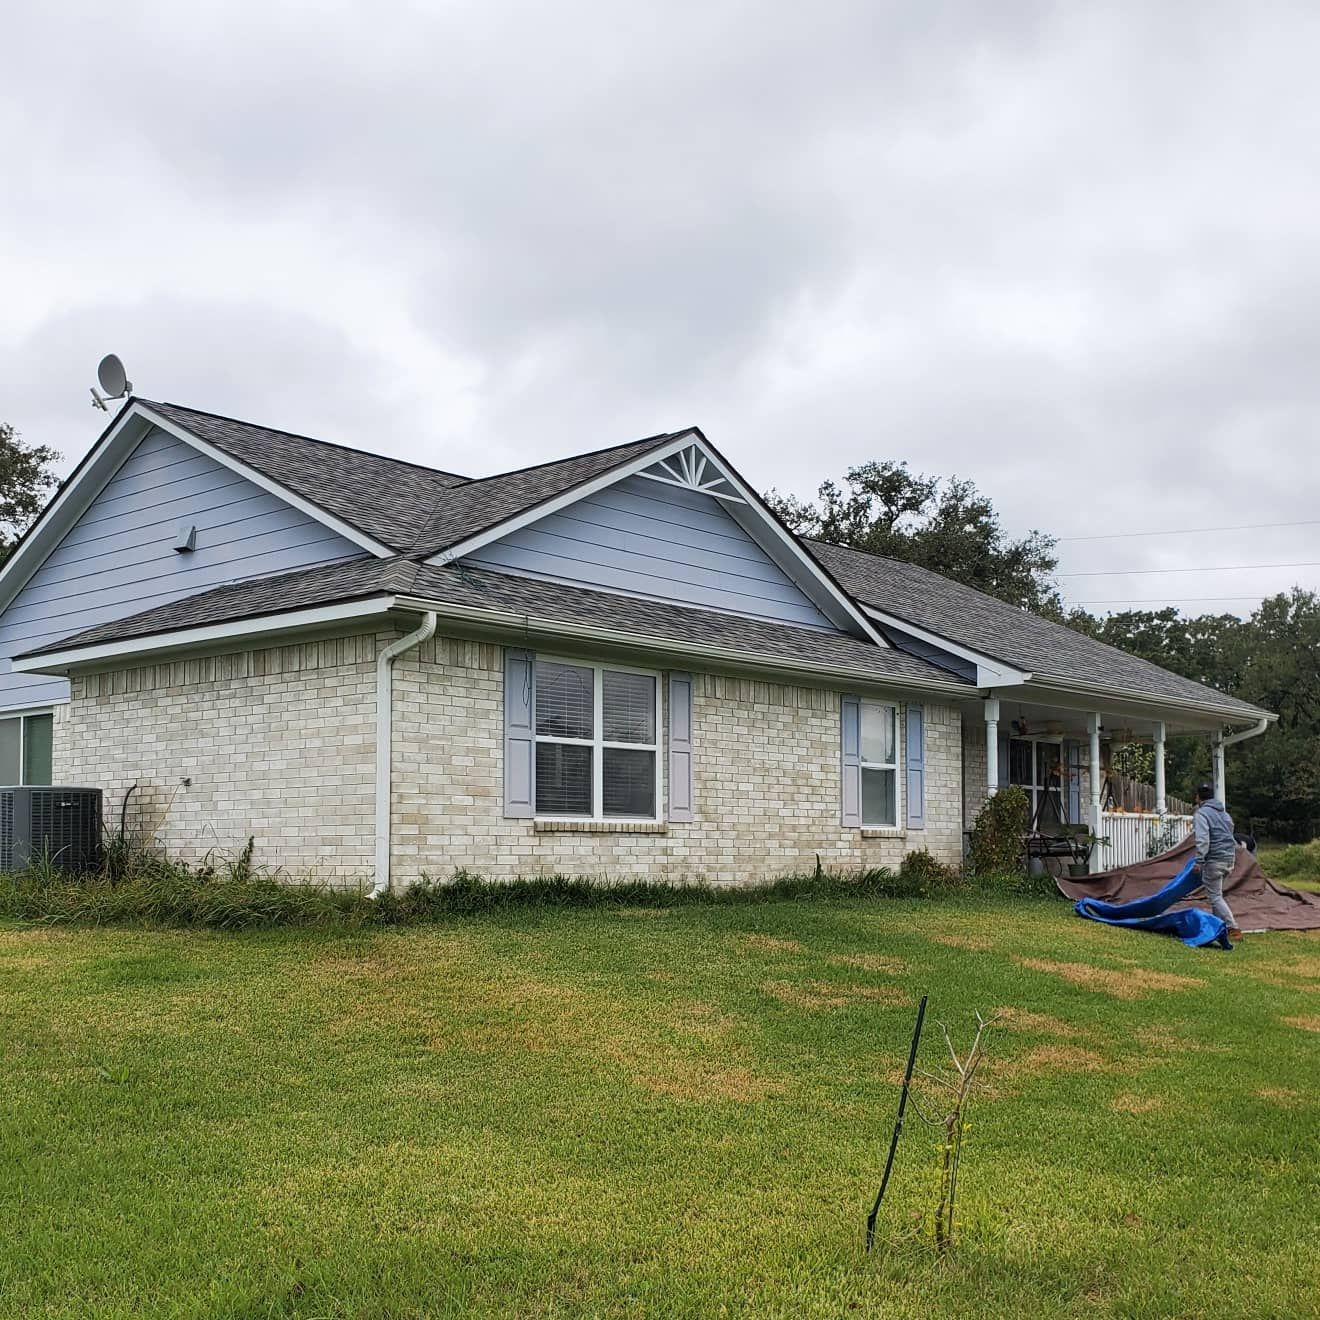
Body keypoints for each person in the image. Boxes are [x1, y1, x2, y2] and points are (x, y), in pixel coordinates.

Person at [1193, 784, 1242, 939]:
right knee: (1217, 895)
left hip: (1214, 860)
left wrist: (1199, 860)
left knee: (1215, 896)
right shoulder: (1225, 814)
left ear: (1198, 797)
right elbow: (1230, 833)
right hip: (1229, 858)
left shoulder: (1202, 813)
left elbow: (1203, 839)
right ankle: (1217, 926)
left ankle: (1232, 927)